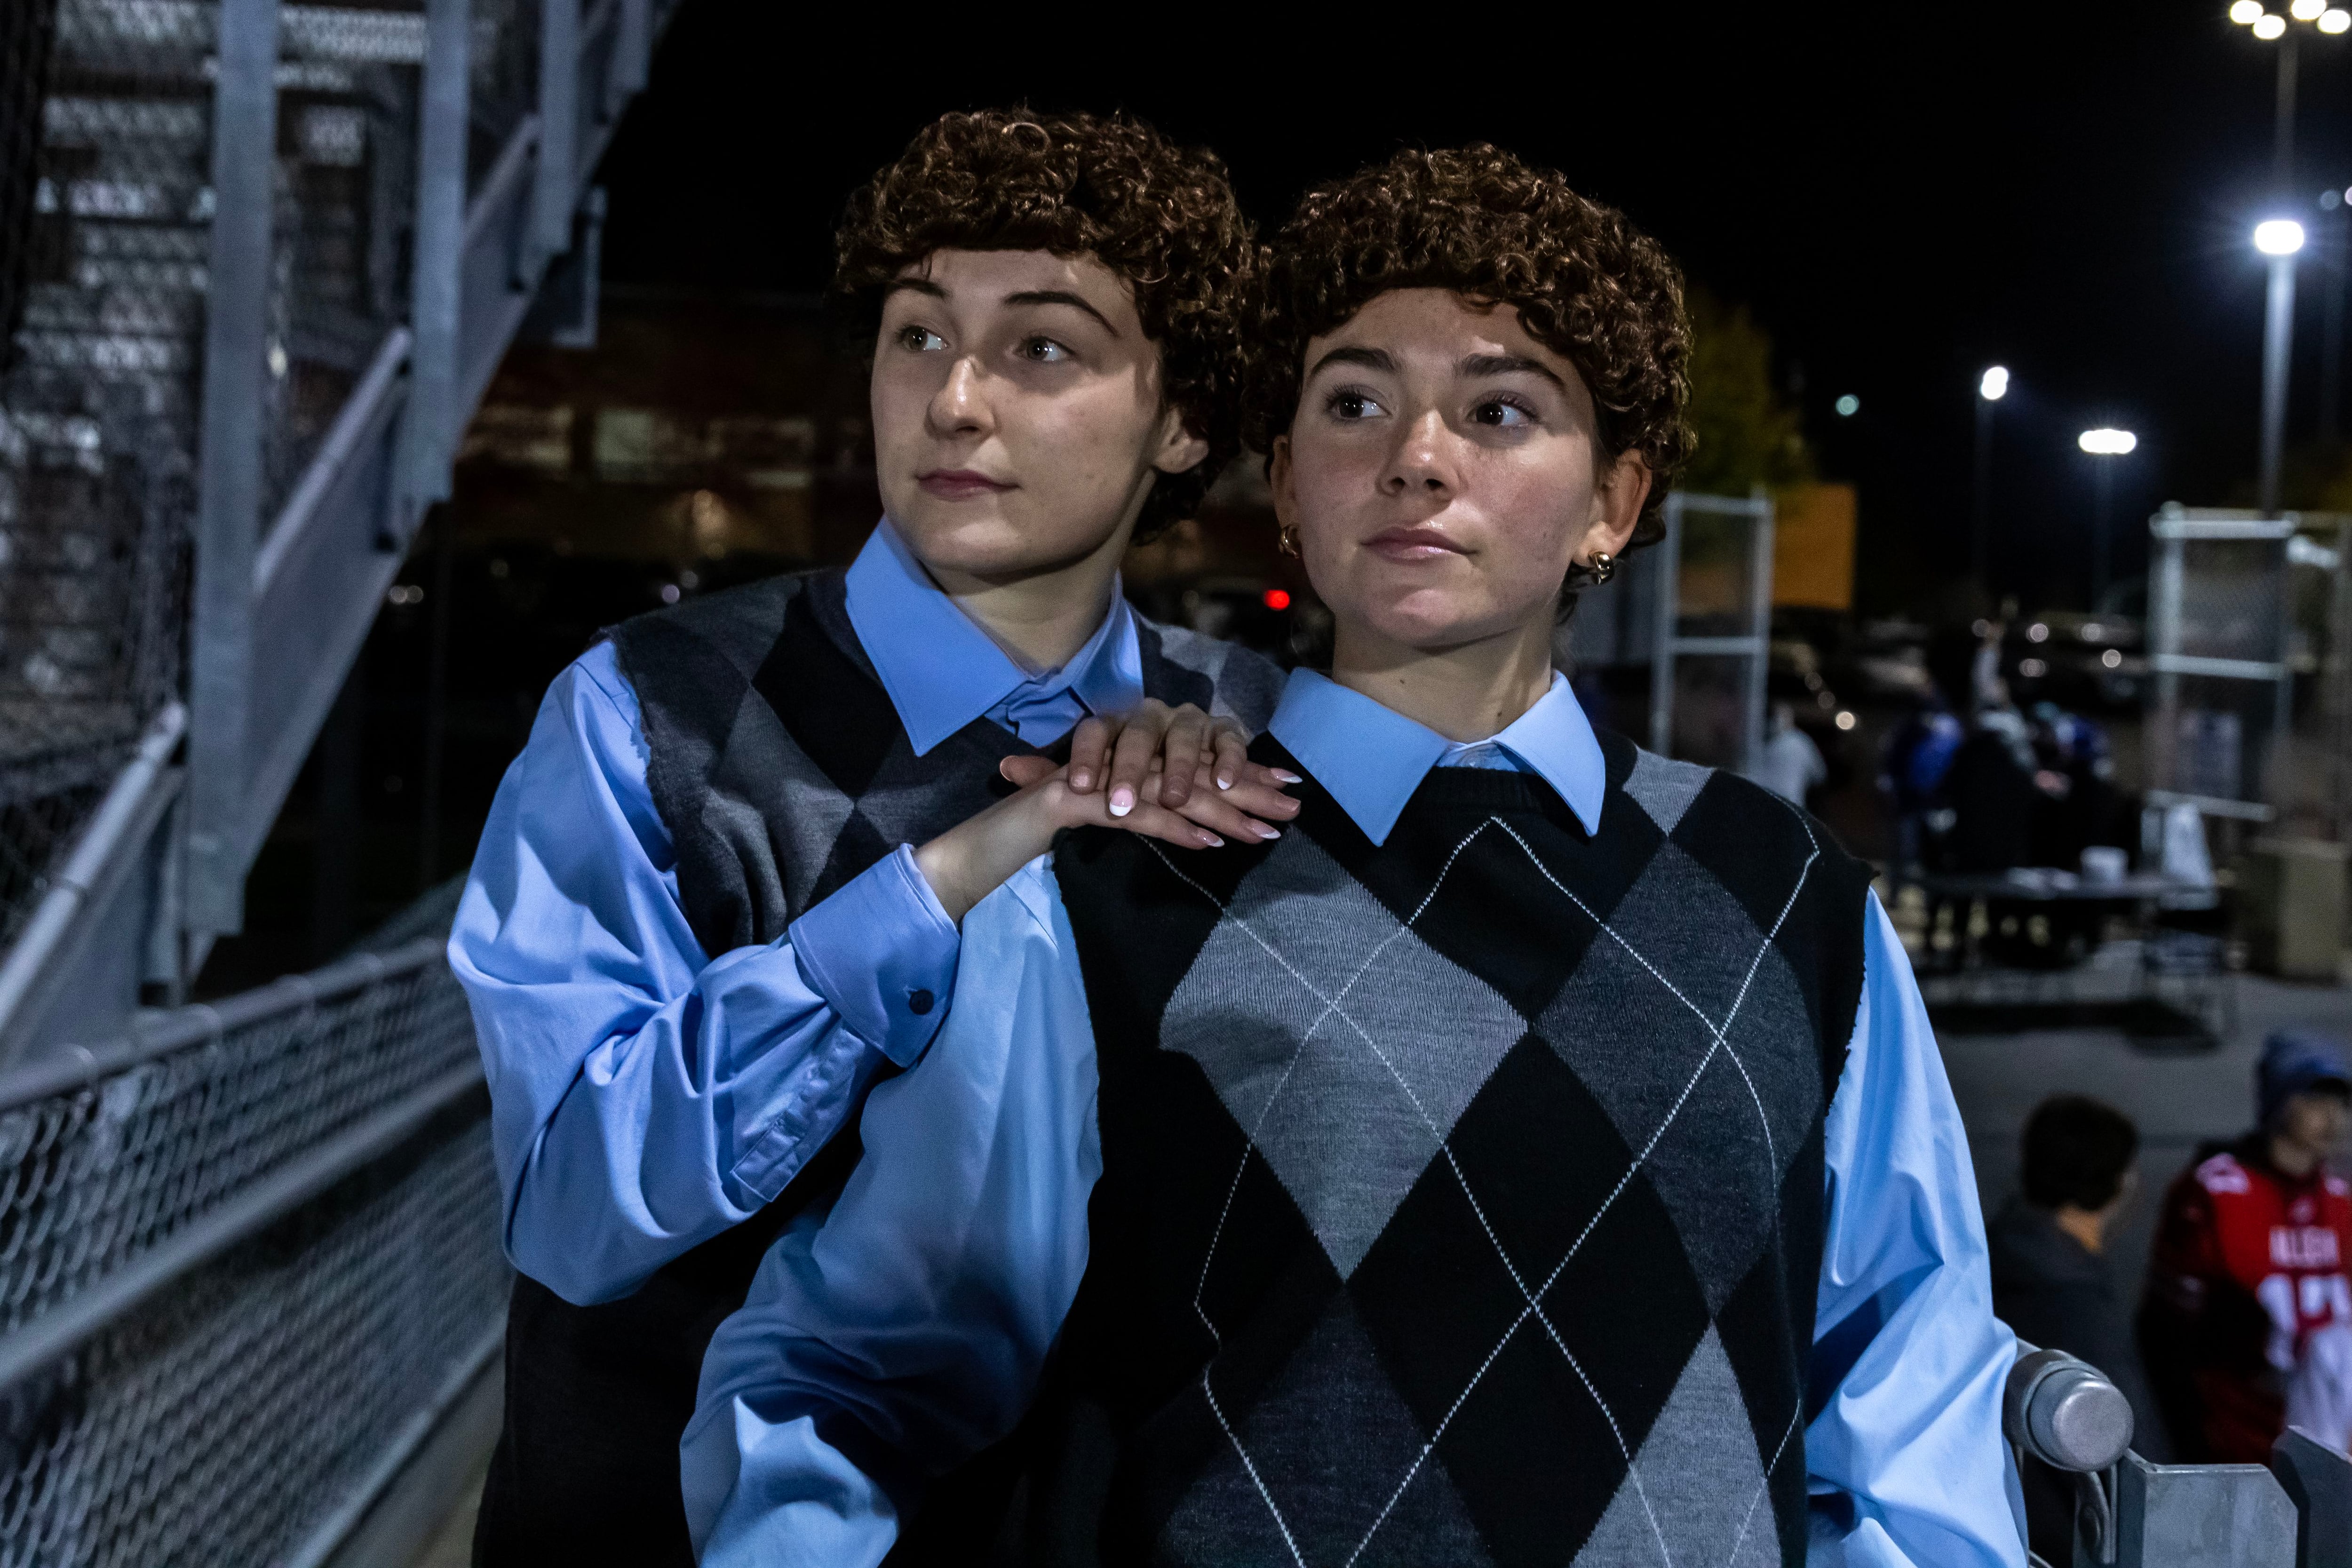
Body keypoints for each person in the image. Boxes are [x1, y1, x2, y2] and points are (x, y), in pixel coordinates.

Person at [683, 145, 2021, 1568]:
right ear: (1286, 485)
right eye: (1354, 403)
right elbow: (847, 1372)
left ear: (1613, 504)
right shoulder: (1110, 881)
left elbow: (1911, 1390)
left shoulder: (1787, 891)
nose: (1416, 457)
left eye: (1498, 410)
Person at [448, 110, 1300, 1564]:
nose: (953, 399)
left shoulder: (1258, 743)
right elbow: (574, 1208)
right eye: (917, 335)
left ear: (1185, 418)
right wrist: (949, 875)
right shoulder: (647, 709)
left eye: (1041, 348)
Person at [2143, 1029, 2352, 1462]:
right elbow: (2166, 1330)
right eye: (2314, 1099)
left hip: (2332, 1437)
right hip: (2238, 1437)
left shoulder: (2340, 1200)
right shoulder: (2215, 1193)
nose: (2332, 1116)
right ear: (2278, 1099)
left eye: (2340, 1102)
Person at [1989, 1095, 2167, 1560]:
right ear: (2119, 1184)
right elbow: (2136, 1456)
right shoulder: (2077, 1302)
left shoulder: (1989, 1256)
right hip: (2066, 1544)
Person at [1754, 700, 1827, 806]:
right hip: (1787, 803)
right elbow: (1820, 775)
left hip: (1772, 801)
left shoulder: (1799, 741)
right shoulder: (1802, 741)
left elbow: (1820, 774)